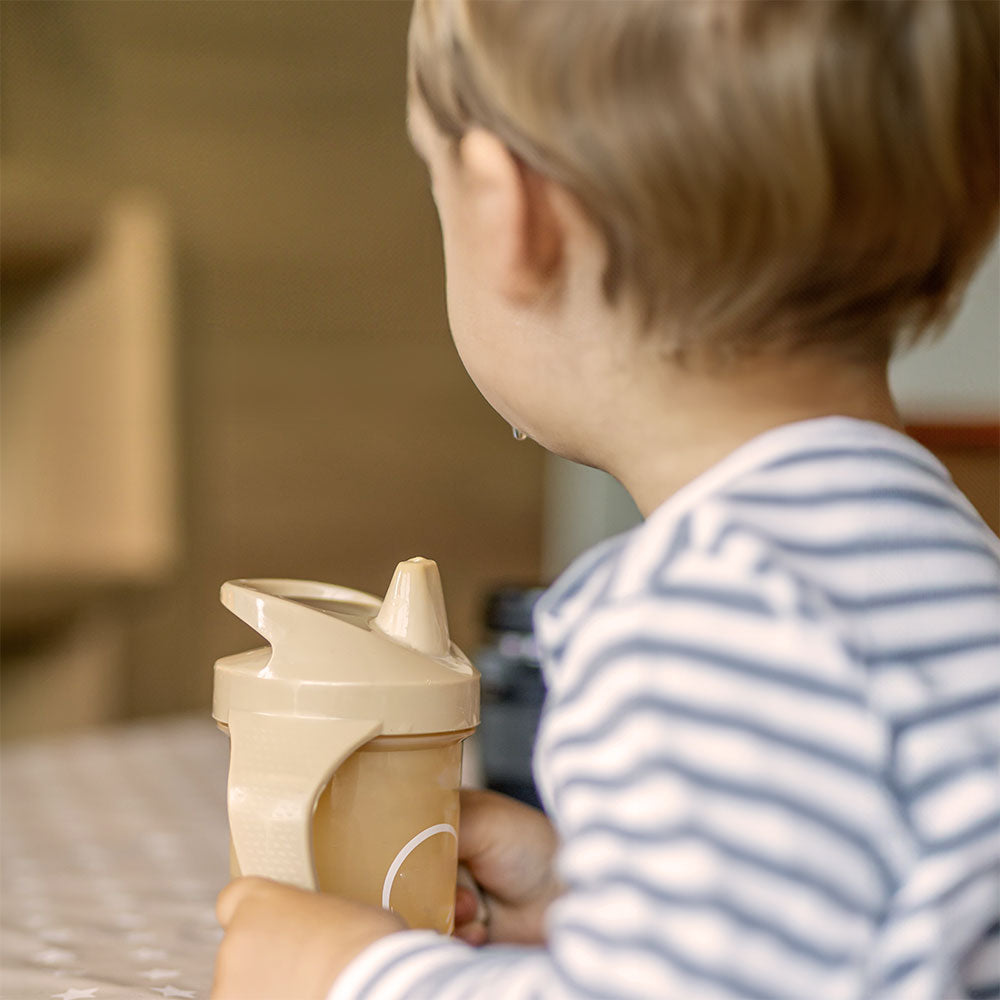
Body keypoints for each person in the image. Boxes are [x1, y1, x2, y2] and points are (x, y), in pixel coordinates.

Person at [210, 1, 1000, 997]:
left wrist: (357, 978)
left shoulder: (711, 614)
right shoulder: (943, 559)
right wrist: (584, 894)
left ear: (512, 217)